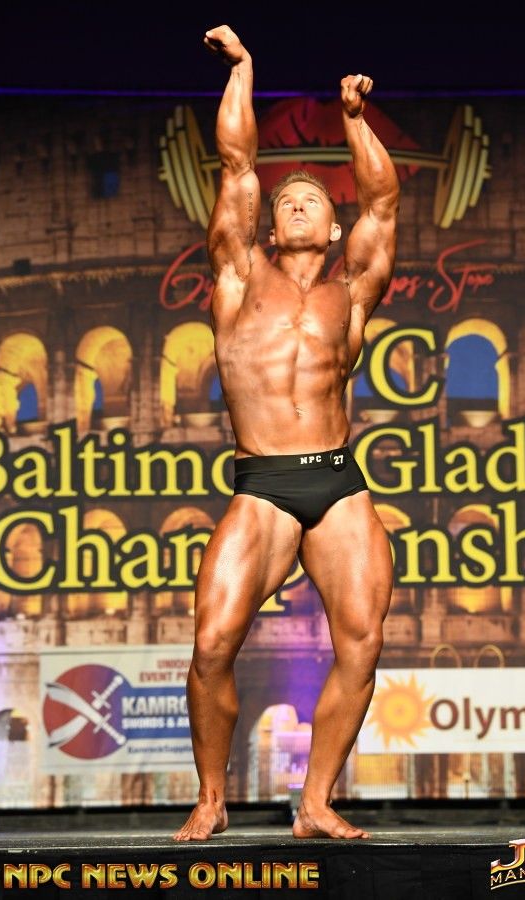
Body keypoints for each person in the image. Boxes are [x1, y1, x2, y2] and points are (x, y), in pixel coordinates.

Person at [173, 24, 399, 841]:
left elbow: (383, 202)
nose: (295, 202)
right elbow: (238, 166)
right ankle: (211, 798)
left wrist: (354, 120)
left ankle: (315, 803)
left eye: (312, 200)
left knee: (362, 644)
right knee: (212, 643)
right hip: (264, 482)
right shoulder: (241, 277)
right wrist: (243, 70)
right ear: (269, 229)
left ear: (334, 229)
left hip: (337, 482)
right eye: (285, 203)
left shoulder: (353, 294)